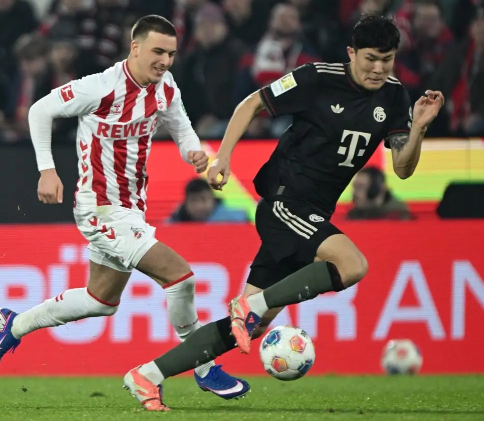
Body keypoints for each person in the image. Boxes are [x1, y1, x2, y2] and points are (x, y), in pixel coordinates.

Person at [122, 14, 445, 411]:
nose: (378, 68)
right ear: (351, 53)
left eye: (387, 59)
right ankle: (248, 309)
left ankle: (147, 375)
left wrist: (419, 129)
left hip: (312, 214)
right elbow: (252, 103)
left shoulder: (394, 95)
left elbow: (403, 169)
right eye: (371, 59)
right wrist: (223, 157)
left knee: (252, 327)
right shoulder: (316, 77)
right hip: (284, 202)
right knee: (352, 265)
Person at [0, 15, 250, 404]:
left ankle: (14, 324)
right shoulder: (100, 87)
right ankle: (204, 366)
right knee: (181, 278)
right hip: (100, 208)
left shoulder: (165, 87)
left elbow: (182, 129)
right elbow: (40, 110)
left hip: (132, 208)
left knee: (100, 301)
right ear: (135, 47)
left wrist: (196, 154)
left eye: (171, 54)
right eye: (158, 51)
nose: (165, 61)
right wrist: (47, 170)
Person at [168, 177, 249, 223]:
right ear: (186, 203)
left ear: (213, 199)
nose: (199, 206)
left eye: (204, 199)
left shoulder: (237, 220)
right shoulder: (173, 224)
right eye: (194, 201)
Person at [347, 166, 411, 220]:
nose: (354, 193)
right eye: (354, 187)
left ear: (376, 189)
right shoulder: (355, 214)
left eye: (360, 187)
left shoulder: (398, 216)